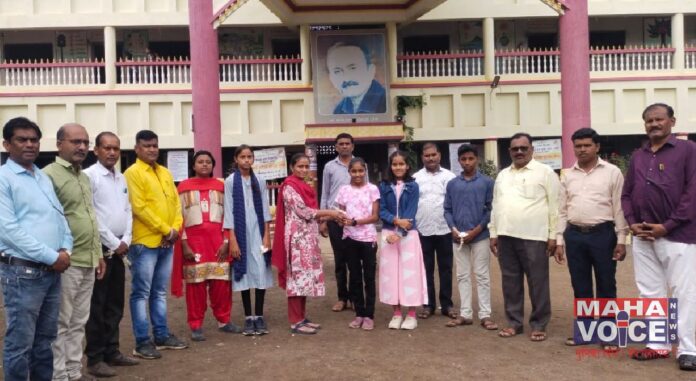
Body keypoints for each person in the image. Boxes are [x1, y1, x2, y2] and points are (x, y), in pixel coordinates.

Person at [621, 103, 696, 371]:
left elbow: (692, 193)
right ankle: (658, 344)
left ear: (672, 122)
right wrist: (632, 223)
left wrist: (667, 225)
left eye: (659, 119)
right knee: (650, 291)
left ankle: (688, 349)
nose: (654, 124)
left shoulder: (688, 150)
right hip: (642, 236)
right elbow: (627, 194)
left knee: (683, 293)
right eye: (649, 120)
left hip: (679, 235)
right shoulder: (639, 155)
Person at [0, 117, 72, 381]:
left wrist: (66, 248)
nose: (29, 144)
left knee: (45, 342)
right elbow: (9, 231)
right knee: (20, 344)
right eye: (22, 139)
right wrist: (53, 256)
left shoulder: (41, 176)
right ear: (7, 144)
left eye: (34, 139)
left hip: (51, 272)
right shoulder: (3, 179)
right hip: (22, 274)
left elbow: (59, 216)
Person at [553, 128, 628, 352]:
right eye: (578, 146)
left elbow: (619, 208)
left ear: (597, 147)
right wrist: (559, 240)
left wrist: (621, 239)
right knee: (581, 286)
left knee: (606, 284)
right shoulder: (568, 175)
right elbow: (562, 210)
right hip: (574, 236)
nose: (582, 149)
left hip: (603, 235)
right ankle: (585, 333)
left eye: (587, 145)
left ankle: (608, 334)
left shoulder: (612, 172)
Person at [43, 123, 104, 381]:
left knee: (80, 321)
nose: (82, 147)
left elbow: (91, 217)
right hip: (66, 261)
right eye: (75, 141)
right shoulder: (48, 175)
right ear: (59, 144)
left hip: (89, 259)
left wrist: (99, 253)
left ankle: (73, 371)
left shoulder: (84, 177)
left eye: (85, 142)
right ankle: (58, 375)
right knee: (61, 323)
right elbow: (47, 221)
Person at [489, 132, 559, 342]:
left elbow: (555, 206)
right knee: (510, 283)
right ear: (509, 151)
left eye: (523, 148)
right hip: (505, 236)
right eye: (514, 148)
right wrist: (494, 233)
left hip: (534, 236)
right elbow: (496, 206)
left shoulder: (545, 172)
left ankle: (539, 324)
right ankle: (514, 323)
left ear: (532, 149)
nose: (519, 152)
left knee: (538, 282)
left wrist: (553, 236)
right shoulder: (502, 175)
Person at [124, 130, 187, 360]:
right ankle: (142, 342)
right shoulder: (132, 173)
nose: (152, 149)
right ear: (137, 149)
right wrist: (165, 229)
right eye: (146, 146)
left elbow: (176, 203)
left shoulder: (165, 172)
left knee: (159, 292)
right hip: (144, 242)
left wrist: (175, 229)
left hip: (167, 241)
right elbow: (139, 208)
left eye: (154, 145)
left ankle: (161, 336)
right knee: (141, 293)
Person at [84, 132, 140, 378]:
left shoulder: (121, 178)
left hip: (120, 248)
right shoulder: (89, 176)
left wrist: (126, 239)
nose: (112, 152)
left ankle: (112, 351)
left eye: (116, 148)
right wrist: (113, 242)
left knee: (115, 304)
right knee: (97, 306)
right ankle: (95, 358)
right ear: (95, 150)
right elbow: (91, 214)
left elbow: (128, 210)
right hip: (100, 249)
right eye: (106, 148)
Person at [172, 150, 241, 342]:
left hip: (218, 243)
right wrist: (184, 244)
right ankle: (196, 324)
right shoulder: (183, 187)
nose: (204, 165)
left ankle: (224, 321)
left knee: (221, 286)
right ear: (193, 166)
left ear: (213, 165)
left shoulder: (221, 186)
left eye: (208, 162)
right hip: (193, 244)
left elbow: (229, 215)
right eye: (200, 162)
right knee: (196, 287)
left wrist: (227, 241)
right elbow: (178, 218)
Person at [272, 153, 343, 335]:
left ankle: (301, 317)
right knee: (297, 279)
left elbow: (311, 214)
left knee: (304, 278)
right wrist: (332, 213)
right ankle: (295, 321)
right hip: (296, 239)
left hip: (307, 237)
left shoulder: (303, 186)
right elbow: (303, 211)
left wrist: (328, 218)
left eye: (306, 166)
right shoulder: (289, 186)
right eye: (300, 166)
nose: (304, 170)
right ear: (291, 167)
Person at [443, 144, 498, 330]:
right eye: (463, 159)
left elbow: (491, 209)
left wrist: (476, 230)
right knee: (462, 275)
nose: (467, 162)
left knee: (482, 275)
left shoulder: (487, 182)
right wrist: (453, 228)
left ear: (477, 159)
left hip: (480, 236)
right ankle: (465, 313)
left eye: (471, 158)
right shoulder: (452, 184)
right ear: (458, 161)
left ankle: (485, 314)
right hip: (457, 237)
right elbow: (447, 209)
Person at [223, 145, 274, 336]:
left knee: (260, 270)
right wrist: (233, 240)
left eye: (249, 156)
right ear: (236, 159)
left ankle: (259, 316)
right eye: (242, 157)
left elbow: (265, 211)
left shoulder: (259, 180)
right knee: (244, 274)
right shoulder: (229, 182)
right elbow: (228, 211)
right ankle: (248, 318)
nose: (246, 160)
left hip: (259, 231)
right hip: (241, 234)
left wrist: (267, 237)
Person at [379, 150, 428, 330]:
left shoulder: (413, 186)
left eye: (401, 164)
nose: (398, 167)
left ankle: (412, 314)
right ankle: (397, 312)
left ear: (407, 166)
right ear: (390, 166)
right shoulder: (383, 186)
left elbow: (411, 212)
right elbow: (381, 210)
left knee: (410, 274)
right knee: (391, 274)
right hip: (388, 234)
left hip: (408, 235)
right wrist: (394, 222)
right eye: (394, 164)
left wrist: (399, 232)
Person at [320, 133, 367, 312]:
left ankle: (356, 298)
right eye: (341, 144)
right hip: (335, 219)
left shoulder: (361, 165)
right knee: (340, 260)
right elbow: (325, 192)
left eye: (348, 143)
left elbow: (367, 190)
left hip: (355, 220)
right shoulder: (329, 167)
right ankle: (342, 298)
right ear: (336, 147)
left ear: (353, 146)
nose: (345, 146)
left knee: (355, 260)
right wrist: (323, 220)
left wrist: (364, 219)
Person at [334, 157, 380, 331]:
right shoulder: (344, 190)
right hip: (350, 239)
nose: (358, 174)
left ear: (365, 171)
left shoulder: (372, 189)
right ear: (349, 172)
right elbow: (341, 213)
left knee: (369, 277)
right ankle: (359, 313)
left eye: (361, 171)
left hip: (368, 238)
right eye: (354, 171)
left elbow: (375, 217)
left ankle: (369, 315)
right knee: (354, 277)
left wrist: (355, 222)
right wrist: (340, 220)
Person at [413, 143, 456, 319]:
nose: (430, 158)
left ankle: (446, 305)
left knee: (446, 268)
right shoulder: (415, 178)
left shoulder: (450, 177)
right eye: (427, 156)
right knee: (426, 269)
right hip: (423, 229)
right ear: (422, 158)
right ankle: (428, 304)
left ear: (439, 155)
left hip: (444, 229)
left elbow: (454, 202)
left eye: (433, 155)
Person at [326, 42, 386, 114]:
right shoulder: (338, 111)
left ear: (371, 71)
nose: (346, 79)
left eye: (352, 68)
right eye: (337, 71)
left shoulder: (385, 102)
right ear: (331, 78)